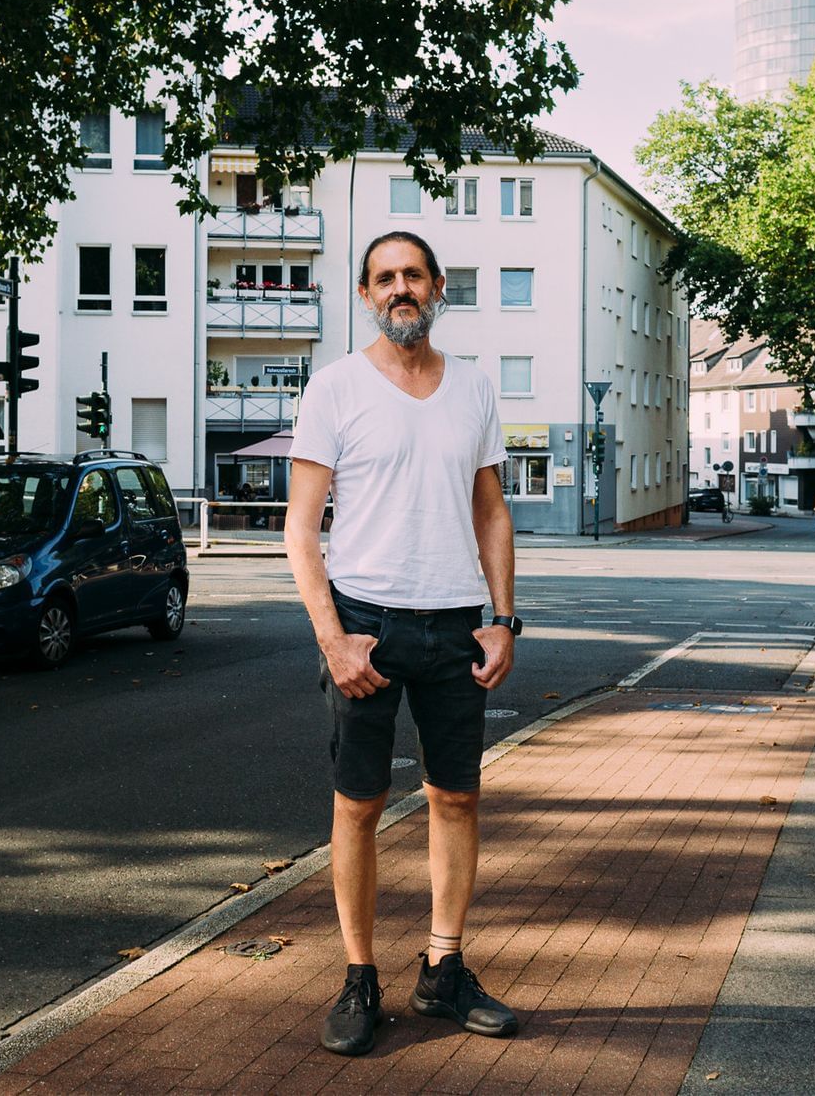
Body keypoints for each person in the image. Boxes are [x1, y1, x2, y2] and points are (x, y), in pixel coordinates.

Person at [285, 231, 521, 1057]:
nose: (400, 289)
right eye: (384, 278)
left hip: (457, 622)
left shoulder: (475, 389)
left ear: (437, 286)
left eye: (412, 275)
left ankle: (443, 968)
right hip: (366, 625)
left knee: (456, 797)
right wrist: (334, 640)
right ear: (364, 295)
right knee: (358, 806)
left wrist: (503, 617)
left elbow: (491, 510)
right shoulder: (335, 387)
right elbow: (300, 531)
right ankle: (358, 977)